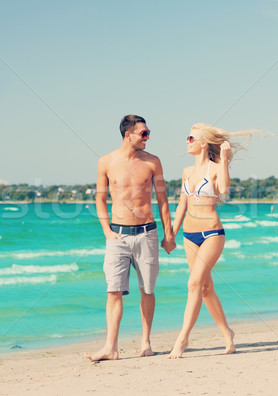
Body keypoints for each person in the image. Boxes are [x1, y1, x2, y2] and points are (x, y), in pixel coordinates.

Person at [85, 115, 176, 361]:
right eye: (143, 133)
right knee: (113, 291)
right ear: (129, 135)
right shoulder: (105, 161)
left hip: (147, 232)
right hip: (118, 236)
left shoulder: (153, 162)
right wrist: (107, 232)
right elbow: (100, 200)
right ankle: (110, 348)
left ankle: (146, 342)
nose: (148, 137)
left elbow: (163, 201)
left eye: (148, 133)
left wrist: (169, 234)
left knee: (147, 289)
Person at [168, 123, 258, 359]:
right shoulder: (187, 172)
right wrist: (171, 234)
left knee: (193, 284)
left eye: (191, 138)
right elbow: (181, 205)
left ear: (203, 143)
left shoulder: (217, 167)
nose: (187, 141)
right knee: (205, 289)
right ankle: (227, 333)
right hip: (189, 235)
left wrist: (226, 160)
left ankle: (182, 339)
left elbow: (224, 189)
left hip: (212, 234)